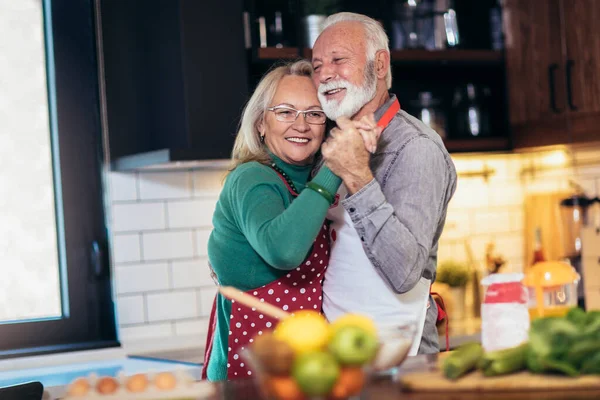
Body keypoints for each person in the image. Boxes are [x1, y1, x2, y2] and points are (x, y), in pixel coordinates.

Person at [202, 59, 379, 381]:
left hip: (308, 362)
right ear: (260, 123)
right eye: (285, 112)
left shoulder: (304, 181)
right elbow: (283, 250)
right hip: (253, 367)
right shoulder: (252, 178)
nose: (301, 125)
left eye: (314, 114)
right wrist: (336, 167)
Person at [311, 12, 457, 354]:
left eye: (338, 60)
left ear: (379, 65)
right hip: (339, 354)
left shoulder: (415, 148)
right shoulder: (329, 146)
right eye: (316, 66)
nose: (325, 74)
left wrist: (359, 177)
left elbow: (405, 272)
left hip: (400, 360)